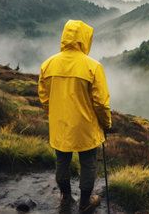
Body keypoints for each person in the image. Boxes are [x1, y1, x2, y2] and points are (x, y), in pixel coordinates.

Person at [38, 20, 111, 213]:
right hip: (85, 128)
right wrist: (106, 124)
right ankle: (85, 202)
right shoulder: (93, 67)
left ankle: (65, 197)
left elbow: (44, 99)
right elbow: (101, 103)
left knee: (62, 160)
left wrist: (53, 116)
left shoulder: (48, 65)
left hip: (60, 125)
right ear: (85, 39)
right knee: (88, 163)